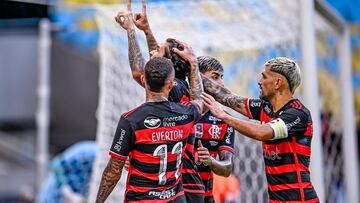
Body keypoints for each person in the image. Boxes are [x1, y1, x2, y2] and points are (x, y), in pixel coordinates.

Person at [115, 1, 235, 202]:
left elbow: (142, 71)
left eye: (219, 77)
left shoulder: (219, 115)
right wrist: (146, 31)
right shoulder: (181, 93)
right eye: (215, 77)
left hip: (193, 192)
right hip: (181, 190)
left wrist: (132, 31)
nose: (220, 82)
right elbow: (158, 66)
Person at [95, 38, 204, 203]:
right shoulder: (186, 115)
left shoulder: (131, 120)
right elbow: (198, 100)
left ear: (143, 80)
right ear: (170, 85)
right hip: (175, 199)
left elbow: (113, 171)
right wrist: (194, 63)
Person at [201, 57, 319, 202]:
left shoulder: (298, 114)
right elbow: (225, 96)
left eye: (264, 76)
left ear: (277, 83)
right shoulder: (265, 108)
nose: (259, 81)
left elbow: (262, 132)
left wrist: (223, 116)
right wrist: (192, 67)